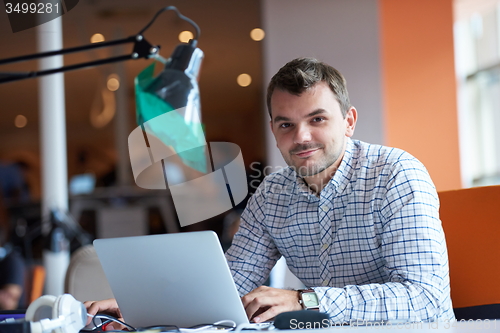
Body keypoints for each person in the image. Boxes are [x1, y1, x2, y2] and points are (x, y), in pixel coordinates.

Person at [85, 58, 455, 326]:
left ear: (349, 121)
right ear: (273, 129)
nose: (301, 137)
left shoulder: (396, 174)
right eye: (286, 124)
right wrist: (138, 306)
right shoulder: (274, 193)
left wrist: (304, 300)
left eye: (317, 119)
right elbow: (228, 284)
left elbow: (423, 297)